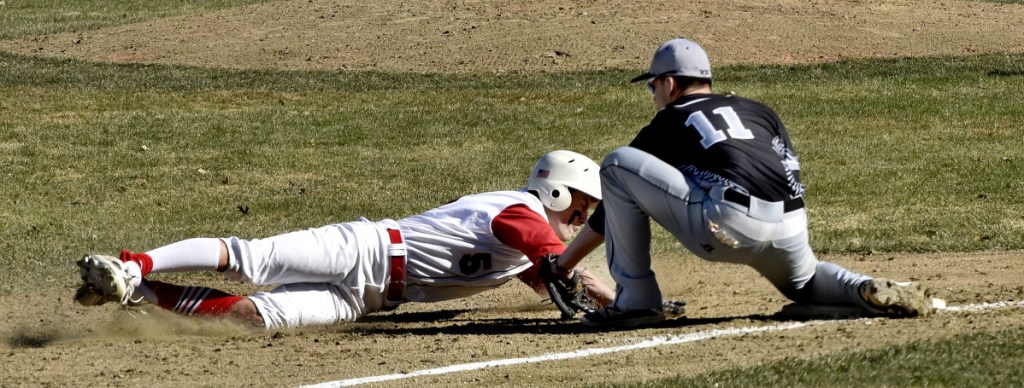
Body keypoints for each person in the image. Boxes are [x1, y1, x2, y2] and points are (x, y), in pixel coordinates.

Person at [551, 38, 936, 327]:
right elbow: (787, 166)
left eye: (652, 86)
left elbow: (613, 210)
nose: (652, 94)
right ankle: (862, 287)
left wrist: (564, 264)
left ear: (669, 83)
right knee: (803, 285)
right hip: (790, 224)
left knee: (618, 165)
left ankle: (636, 301)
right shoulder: (758, 110)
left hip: (727, 224)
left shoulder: (668, 120)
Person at [75, 150, 616, 329]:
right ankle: (134, 264)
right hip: (367, 247)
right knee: (251, 259)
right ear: (557, 194)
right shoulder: (520, 212)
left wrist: (619, 302)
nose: (583, 219)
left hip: (369, 298)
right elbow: (534, 246)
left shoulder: (533, 250)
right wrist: (560, 264)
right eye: (583, 207)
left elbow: (557, 278)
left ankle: (137, 293)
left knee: (257, 317)